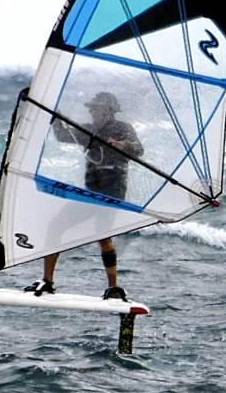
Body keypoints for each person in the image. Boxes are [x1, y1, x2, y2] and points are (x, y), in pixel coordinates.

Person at [26, 90, 143, 299]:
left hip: (112, 192)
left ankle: (113, 287)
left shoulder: (122, 128)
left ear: (108, 111)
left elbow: (139, 150)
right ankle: (47, 281)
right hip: (91, 191)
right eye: (91, 109)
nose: (91, 112)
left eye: (95, 109)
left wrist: (122, 145)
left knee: (103, 235)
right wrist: (56, 118)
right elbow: (63, 136)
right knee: (55, 225)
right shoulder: (89, 130)